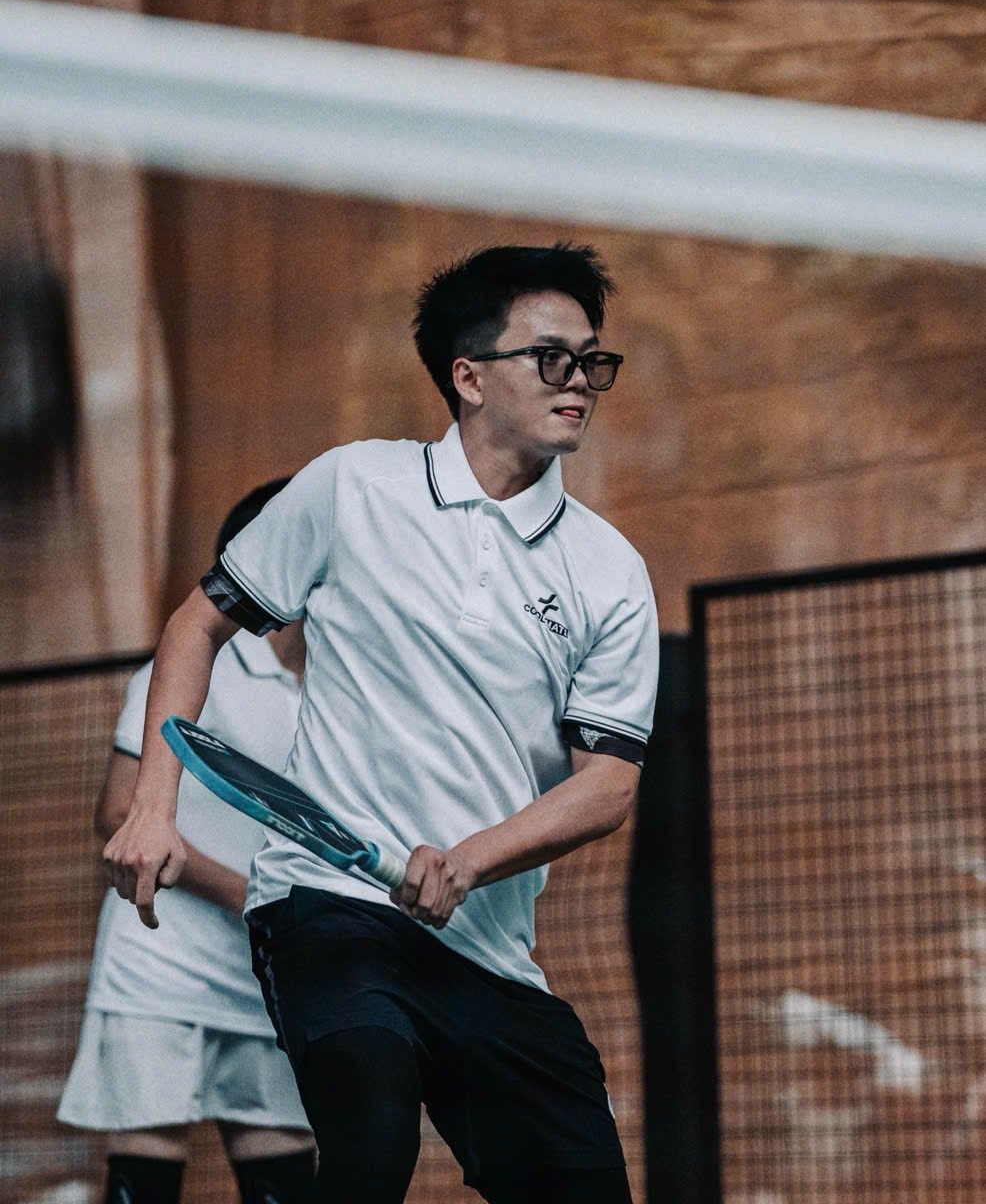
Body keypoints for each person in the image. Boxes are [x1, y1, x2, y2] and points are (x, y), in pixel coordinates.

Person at [105, 244, 660, 1203]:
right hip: (327, 906)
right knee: (370, 1143)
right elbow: (197, 625)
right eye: (550, 358)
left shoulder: (610, 571)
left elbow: (607, 785)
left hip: (484, 946)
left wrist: (468, 862)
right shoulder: (352, 487)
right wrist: (156, 808)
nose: (579, 381)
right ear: (469, 377)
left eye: (591, 361)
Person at [60, 482, 315, 1204]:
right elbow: (119, 810)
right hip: (158, 967)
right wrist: (244, 892)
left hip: (265, 976)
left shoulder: (337, 692)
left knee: (285, 1179)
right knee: (145, 1176)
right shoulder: (189, 668)